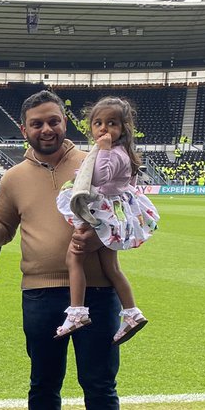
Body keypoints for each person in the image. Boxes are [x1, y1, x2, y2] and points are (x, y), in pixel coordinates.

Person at [0, 90, 130, 410]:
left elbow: (123, 208)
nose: (46, 129)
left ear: (65, 121)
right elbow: (2, 233)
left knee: (99, 383)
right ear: (23, 129)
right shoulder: (12, 179)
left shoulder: (94, 161)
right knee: (44, 384)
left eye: (53, 120)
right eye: (37, 123)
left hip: (97, 291)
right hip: (40, 294)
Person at [54, 97, 158, 345]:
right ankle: (132, 312)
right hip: (113, 211)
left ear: (123, 128)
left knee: (74, 256)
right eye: (98, 123)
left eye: (111, 123)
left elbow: (100, 176)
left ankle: (77, 311)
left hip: (103, 211)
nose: (103, 129)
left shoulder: (113, 153)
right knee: (111, 267)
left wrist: (104, 149)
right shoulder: (125, 153)